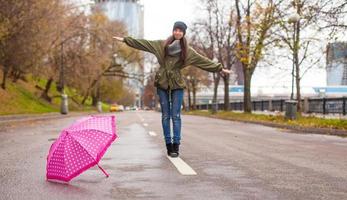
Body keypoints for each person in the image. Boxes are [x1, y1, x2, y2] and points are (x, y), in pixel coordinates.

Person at [113, 21, 231, 157]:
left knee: (175, 115)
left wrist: (220, 68)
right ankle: (168, 145)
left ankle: (176, 146)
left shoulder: (188, 51)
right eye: (176, 30)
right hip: (162, 82)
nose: (178, 32)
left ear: (183, 33)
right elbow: (143, 44)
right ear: (173, 31)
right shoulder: (161, 45)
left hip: (177, 84)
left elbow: (203, 61)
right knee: (165, 115)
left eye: (181, 31)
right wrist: (126, 40)